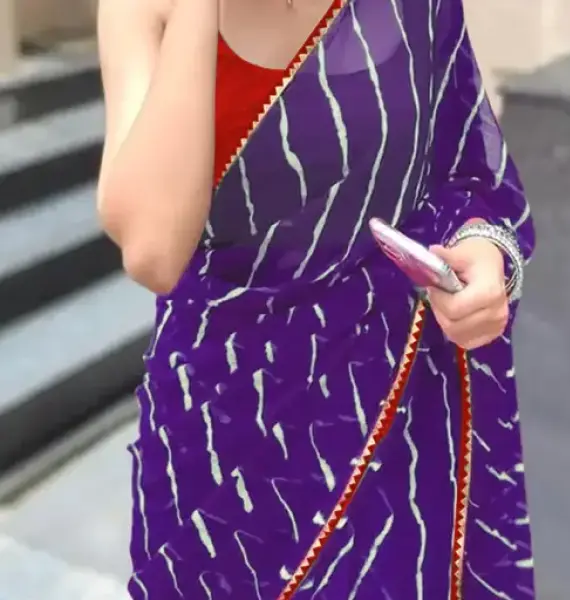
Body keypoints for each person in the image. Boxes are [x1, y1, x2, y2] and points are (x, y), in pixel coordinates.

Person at [97, 0, 536, 597]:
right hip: (221, 428)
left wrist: (483, 251)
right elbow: (153, 249)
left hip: (392, 411)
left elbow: (465, 174)